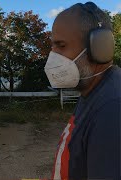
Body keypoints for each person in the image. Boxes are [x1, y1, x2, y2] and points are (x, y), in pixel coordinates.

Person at [44, 2, 121, 179]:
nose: (52, 56)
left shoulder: (113, 110)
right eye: (52, 47)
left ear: (99, 48)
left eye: (61, 46)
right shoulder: (93, 91)